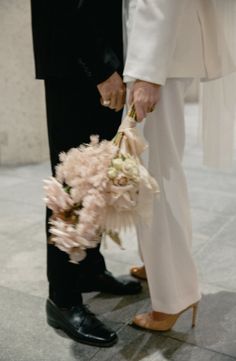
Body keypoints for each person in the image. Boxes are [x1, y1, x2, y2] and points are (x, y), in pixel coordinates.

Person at [30, 0, 141, 347]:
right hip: (76, 57)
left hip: (98, 53)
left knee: (97, 175)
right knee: (71, 181)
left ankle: (90, 268)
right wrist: (101, 68)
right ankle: (62, 297)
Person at [122, 0, 236, 331]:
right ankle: (160, 267)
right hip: (166, 55)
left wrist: (147, 73)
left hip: (160, 60)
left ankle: (174, 294)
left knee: (156, 178)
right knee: (158, 171)